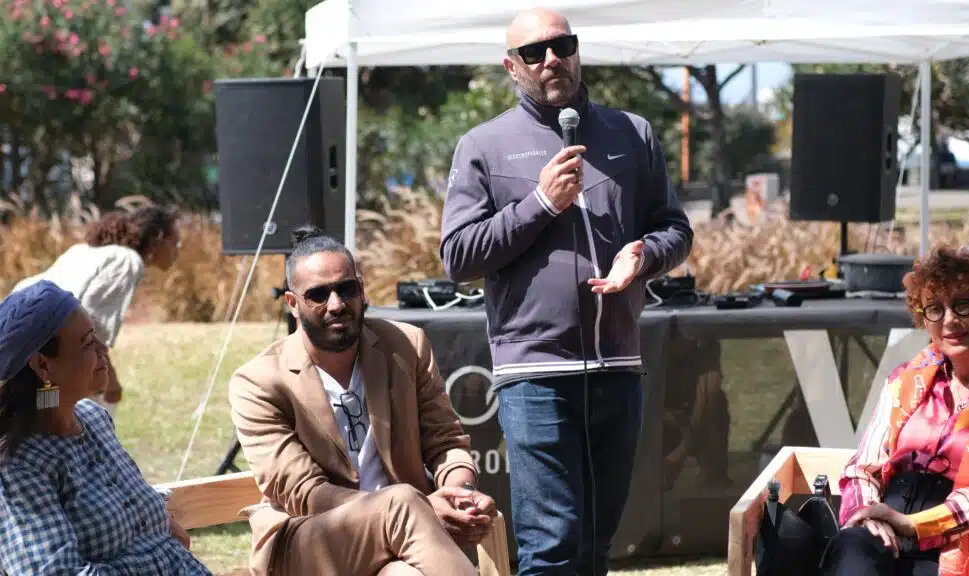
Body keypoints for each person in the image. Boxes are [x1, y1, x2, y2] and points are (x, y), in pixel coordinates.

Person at [438, 7, 693, 575]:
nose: (551, 59)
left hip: (618, 368)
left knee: (596, 547)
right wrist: (541, 204)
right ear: (512, 66)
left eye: (562, 45)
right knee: (551, 549)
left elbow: (675, 229)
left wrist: (644, 254)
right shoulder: (483, 145)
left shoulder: (633, 133)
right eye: (534, 52)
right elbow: (457, 256)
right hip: (536, 374)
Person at [228, 225, 498, 576]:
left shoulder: (405, 346)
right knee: (401, 502)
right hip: (310, 541)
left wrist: (462, 492)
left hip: (402, 538)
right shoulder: (259, 382)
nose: (337, 304)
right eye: (318, 295)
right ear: (293, 304)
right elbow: (306, 495)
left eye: (347, 289)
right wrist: (417, 508)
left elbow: (446, 441)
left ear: (362, 290)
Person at [829, 245, 969, 576]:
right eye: (934, 308)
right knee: (851, 550)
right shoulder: (903, 381)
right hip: (883, 527)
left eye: (963, 304)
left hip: (958, 540)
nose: (949, 320)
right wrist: (867, 514)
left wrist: (913, 524)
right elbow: (863, 466)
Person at [0, 280, 210, 575]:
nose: (103, 349)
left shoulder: (94, 419)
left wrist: (160, 522)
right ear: (43, 366)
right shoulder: (19, 465)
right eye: (87, 342)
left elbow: (132, 506)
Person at [13, 205, 181, 411]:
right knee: (77, 414)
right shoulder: (127, 261)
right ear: (158, 238)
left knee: (41, 417)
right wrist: (111, 380)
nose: (178, 250)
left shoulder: (86, 250)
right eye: (175, 242)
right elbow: (90, 323)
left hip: (20, 335)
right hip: (41, 342)